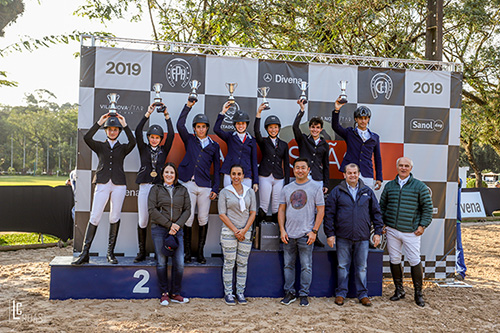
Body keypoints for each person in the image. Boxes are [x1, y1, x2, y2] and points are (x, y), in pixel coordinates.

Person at [72, 113, 136, 265]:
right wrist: (99, 122)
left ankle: (110, 253)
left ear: (118, 131)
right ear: (106, 130)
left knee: (114, 217)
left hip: (119, 185)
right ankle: (84, 253)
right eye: (109, 129)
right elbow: (87, 138)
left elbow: (133, 142)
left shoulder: (123, 148)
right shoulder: (100, 145)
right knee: (95, 217)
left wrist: (125, 125)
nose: (112, 132)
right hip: (102, 183)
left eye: (115, 129)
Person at [324, 163, 383, 307]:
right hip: (343, 237)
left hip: (362, 237)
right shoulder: (337, 191)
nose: (352, 175)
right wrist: (330, 234)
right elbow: (329, 215)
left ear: (358, 174)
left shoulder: (367, 192)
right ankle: (341, 293)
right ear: (344, 175)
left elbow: (376, 213)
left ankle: (362, 294)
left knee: (361, 267)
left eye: (355, 173)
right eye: (349, 173)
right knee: (342, 266)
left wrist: (378, 232)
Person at [379, 157, 433, 307]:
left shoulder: (420, 186)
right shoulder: (389, 186)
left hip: (411, 232)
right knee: (394, 260)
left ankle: (418, 293)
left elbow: (428, 209)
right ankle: (399, 290)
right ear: (397, 167)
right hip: (392, 230)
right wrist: (382, 223)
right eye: (401, 165)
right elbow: (382, 206)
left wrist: (423, 225)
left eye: (406, 166)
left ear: (411, 168)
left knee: (414, 260)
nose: (403, 168)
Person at [177, 97, 220, 264]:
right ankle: (187, 253)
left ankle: (200, 253)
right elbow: (180, 125)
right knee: (188, 219)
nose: (200, 129)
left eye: (203, 127)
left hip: (205, 187)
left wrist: (215, 188)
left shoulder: (214, 145)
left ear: (207, 128)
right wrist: (188, 106)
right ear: (194, 129)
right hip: (188, 183)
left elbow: (216, 169)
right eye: (198, 127)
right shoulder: (189, 139)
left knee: (203, 218)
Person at [278, 157, 325, 307]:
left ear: (308, 170)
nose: (300, 170)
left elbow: (321, 210)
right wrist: (282, 230)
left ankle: (304, 294)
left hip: (306, 235)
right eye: (297, 167)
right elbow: (281, 210)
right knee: (288, 265)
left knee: (306, 266)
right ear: (294, 169)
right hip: (289, 234)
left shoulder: (316, 187)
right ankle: (289, 293)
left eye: (303, 168)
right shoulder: (287, 188)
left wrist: (314, 231)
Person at [134, 102, 174, 263]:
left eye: (157, 137)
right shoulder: (143, 148)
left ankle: (160, 252)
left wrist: (166, 116)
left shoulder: (164, 149)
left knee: (160, 221)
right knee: (143, 219)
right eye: (152, 137)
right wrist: (147, 113)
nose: (154, 140)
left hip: (160, 187)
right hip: (144, 186)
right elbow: (137, 131)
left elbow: (171, 134)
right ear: (148, 137)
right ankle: (141, 251)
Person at [148, 163, 191, 305]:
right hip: (159, 229)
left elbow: (187, 210)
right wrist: (169, 225)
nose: (169, 175)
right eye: (166, 172)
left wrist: (177, 225)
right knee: (161, 263)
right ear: (162, 174)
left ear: (175, 175)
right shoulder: (155, 189)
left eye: (172, 172)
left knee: (179, 263)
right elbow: (152, 210)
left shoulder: (183, 190)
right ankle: (164, 294)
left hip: (177, 231)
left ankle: (175, 294)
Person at [218, 164, 257, 305]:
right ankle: (228, 293)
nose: (236, 177)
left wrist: (245, 230)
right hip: (229, 231)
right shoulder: (224, 192)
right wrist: (235, 230)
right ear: (230, 175)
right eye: (233, 174)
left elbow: (253, 212)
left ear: (243, 176)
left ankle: (240, 292)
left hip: (246, 231)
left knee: (242, 263)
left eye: (239, 174)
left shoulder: (249, 191)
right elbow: (222, 214)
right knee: (229, 263)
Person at [332, 99, 383, 190]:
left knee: (365, 200)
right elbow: (336, 127)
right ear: (356, 119)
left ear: (368, 119)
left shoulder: (375, 137)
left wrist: (379, 177)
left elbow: (377, 158)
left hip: (367, 173)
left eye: (365, 118)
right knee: (349, 199)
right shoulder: (350, 133)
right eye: (360, 118)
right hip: (351, 172)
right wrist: (337, 110)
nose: (363, 121)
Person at [254, 103, 290, 225]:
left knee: (276, 207)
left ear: (279, 128)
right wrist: (258, 114)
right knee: (263, 205)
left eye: (275, 127)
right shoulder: (263, 142)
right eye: (270, 127)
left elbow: (287, 164)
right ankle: (259, 234)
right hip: (265, 176)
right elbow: (256, 132)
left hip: (279, 178)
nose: (273, 130)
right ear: (267, 129)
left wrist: (287, 182)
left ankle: (277, 234)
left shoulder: (284, 144)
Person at [215, 102, 259, 192]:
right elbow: (216, 129)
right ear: (235, 124)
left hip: (246, 174)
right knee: (228, 197)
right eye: (238, 123)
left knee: (244, 202)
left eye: (243, 123)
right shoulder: (230, 136)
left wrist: (255, 181)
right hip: (229, 172)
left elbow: (254, 161)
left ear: (246, 124)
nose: (241, 126)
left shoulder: (252, 140)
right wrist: (223, 112)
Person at [293, 100, 329, 195]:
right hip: (304, 177)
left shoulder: (324, 144)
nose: (315, 130)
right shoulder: (303, 139)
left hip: (318, 179)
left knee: (317, 205)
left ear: (321, 129)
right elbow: (295, 127)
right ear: (309, 128)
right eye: (313, 127)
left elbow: (326, 166)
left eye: (317, 127)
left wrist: (326, 184)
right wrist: (301, 111)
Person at [455, 178, 467, 280]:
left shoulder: (456, 180)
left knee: (458, 246)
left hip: (455, 219)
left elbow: (459, 181)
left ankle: (461, 271)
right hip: (440, 218)